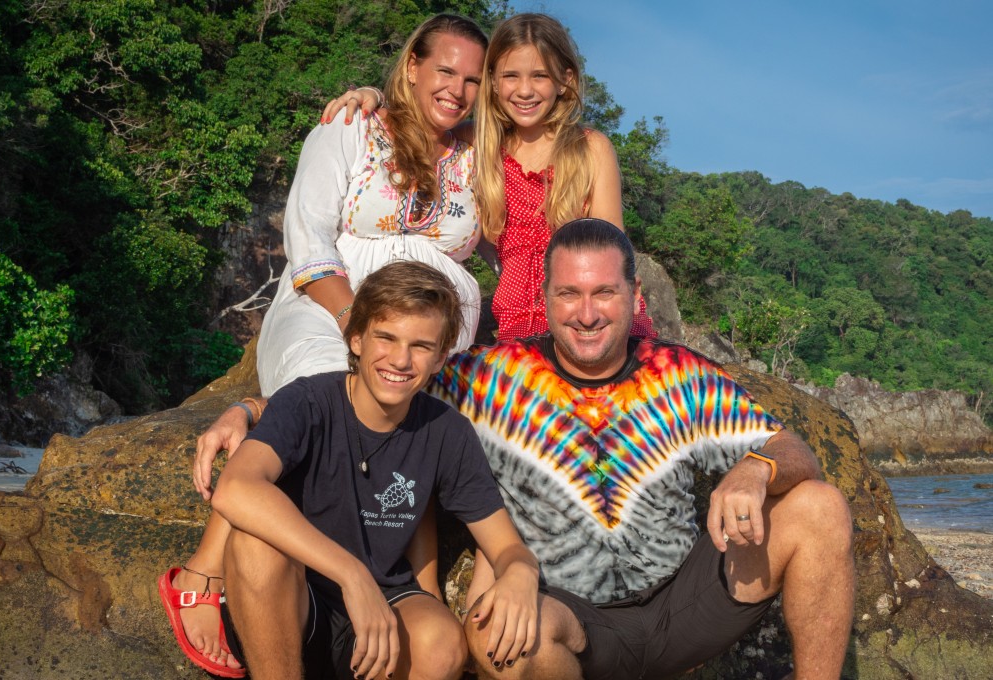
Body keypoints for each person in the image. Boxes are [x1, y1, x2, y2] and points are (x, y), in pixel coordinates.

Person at [193, 219, 855, 679]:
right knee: (496, 641)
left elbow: (793, 449)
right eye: (569, 293)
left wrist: (755, 468)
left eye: (604, 292)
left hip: (688, 600)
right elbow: (379, 384)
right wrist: (252, 410)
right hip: (572, 618)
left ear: (634, 296)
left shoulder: (683, 374)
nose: (586, 312)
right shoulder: (489, 377)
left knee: (819, 508)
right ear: (544, 298)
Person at [157, 14, 488, 676]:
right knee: (327, 378)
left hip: (427, 325)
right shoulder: (350, 127)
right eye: (444, 70)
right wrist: (353, 326)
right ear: (412, 65)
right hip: (328, 300)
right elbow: (307, 241)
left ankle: (407, 583)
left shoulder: (480, 156)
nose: (457, 89)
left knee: (429, 418)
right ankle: (208, 566)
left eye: (473, 80)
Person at [208, 260, 539, 680]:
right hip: (295, 600)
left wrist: (522, 571)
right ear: (357, 338)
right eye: (386, 338)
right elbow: (236, 488)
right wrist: (352, 574)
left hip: (387, 607)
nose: (400, 360)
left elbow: (506, 546)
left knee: (441, 643)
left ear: (441, 357)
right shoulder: (307, 401)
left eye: (421, 346)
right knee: (256, 547)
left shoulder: (447, 431)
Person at [325, 13, 656, 342]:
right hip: (517, 320)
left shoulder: (591, 149)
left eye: (540, 76)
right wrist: (373, 96)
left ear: (564, 80)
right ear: (493, 81)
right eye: (511, 76)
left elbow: (614, 254)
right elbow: (416, 120)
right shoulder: (478, 144)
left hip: (588, 317)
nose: (524, 90)